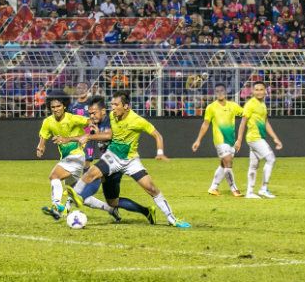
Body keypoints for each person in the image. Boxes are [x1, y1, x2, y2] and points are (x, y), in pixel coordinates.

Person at [65, 91, 190, 228]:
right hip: (112, 156)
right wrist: (89, 134)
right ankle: (74, 197)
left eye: (116, 104)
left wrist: (160, 152)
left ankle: (172, 219)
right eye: (112, 104)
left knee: (152, 188)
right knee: (93, 177)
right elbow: (110, 134)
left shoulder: (137, 120)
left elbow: (157, 135)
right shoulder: (112, 116)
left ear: (126, 107)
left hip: (131, 161)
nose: (113, 107)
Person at [36, 92, 119, 221]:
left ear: (64, 106)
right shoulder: (48, 122)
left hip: (76, 157)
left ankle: (57, 206)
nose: (56, 109)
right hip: (66, 158)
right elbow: (44, 135)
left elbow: (89, 121)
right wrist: (41, 146)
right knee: (78, 195)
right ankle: (111, 209)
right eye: (53, 107)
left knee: (54, 176)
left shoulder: (72, 118)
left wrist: (93, 127)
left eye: (58, 106)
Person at [86, 96, 156, 224]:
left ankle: (71, 200)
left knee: (90, 180)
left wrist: (96, 136)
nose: (91, 116)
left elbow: (111, 138)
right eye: (90, 113)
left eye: (93, 113)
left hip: (115, 162)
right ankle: (146, 211)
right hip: (109, 160)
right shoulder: (99, 124)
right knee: (113, 201)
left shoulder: (110, 120)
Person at [191, 83, 244, 197]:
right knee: (228, 162)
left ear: (225, 92)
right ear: (215, 93)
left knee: (223, 164)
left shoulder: (233, 106)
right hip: (220, 141)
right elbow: (205, 124)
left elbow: (245, 114)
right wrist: (198, 140)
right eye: (217, 91)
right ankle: (234, 189)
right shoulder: (211, 107)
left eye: (222, 90)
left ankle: (213, 188)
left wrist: (239, 138)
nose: (220, 93)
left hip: (231, 141)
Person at [236, 81, 283, 199]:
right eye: (256, 89)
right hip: (254, 138)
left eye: (261, 89)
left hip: (257, 138)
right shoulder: (250, 104)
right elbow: (243, 122)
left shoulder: (263, 104)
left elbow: (266, 122)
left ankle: (250, 192)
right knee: (271, 159)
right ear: (252, 91)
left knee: (254, 165)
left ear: (265, 91)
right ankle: (263, 189)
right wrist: (239, 139)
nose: (259, 92)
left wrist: (275, 138)